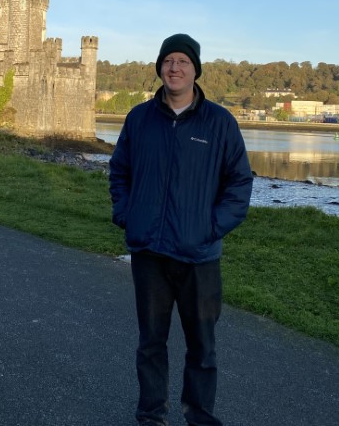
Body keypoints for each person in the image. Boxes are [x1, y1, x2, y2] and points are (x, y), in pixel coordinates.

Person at [109, 33, 253, 426]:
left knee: (202, 346)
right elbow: (119, 171)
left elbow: (240, 183)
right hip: (150, 253)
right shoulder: (139, 118)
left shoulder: (220, 122)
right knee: (151, 343)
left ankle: (199, 415)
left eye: (183, 62)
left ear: (195, 70)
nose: (174, 67)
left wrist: (211, 227)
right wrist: (126, 213)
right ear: (159, 68)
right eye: (168, 60)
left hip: (198, 256)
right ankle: (151, 414)